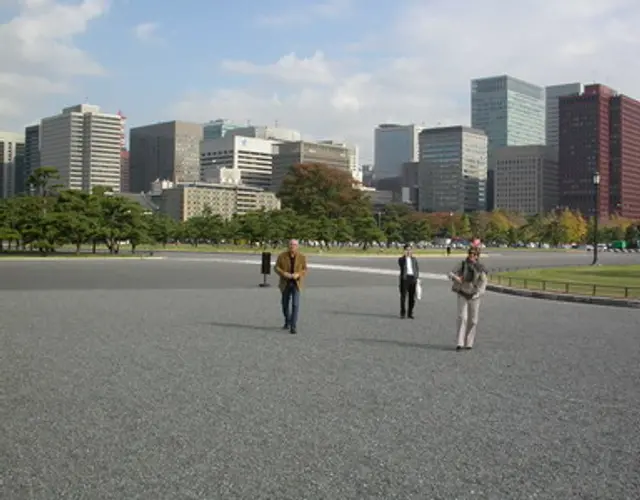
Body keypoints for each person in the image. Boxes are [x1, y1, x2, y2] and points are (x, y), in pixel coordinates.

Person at [449, 247, 488, 351]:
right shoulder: (462, 264)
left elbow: (484, 282)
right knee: (462, 318)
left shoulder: (480, 268)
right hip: (462, 293)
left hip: (474, 295)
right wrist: (456, 277)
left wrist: (479, 293)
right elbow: (450, 273)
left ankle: (469, 342)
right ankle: (460, 343)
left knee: (473, 320)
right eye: (470, 253)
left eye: (474, 254)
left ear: (477, 256)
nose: (471, 255)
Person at [274, 239, 308, 334]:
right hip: (285, 283)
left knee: (295, 304)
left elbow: (305, 269)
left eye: (294, 244)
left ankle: (293, 326)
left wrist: (298, 274)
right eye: (291, 244)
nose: (292, 246)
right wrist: (284, 273)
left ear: (297, 246)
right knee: (285, 304)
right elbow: (276, 267)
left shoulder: (302, 257)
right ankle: (287, 321)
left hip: (296, 283)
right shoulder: (282, 256)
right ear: (288, 245)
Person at [398, 244, 419, 319]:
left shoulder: (414, 259)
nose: (408, 251)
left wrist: (417, 277)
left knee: (412, 297)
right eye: (407, 250)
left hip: (412, 278)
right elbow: (402, 265)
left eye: (410, 250)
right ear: (404, 250)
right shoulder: (401, 259)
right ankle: (403, 313)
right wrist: (405, 257)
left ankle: (410, 313)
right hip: (405, 278)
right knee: (403, 296)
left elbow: (417, 268)